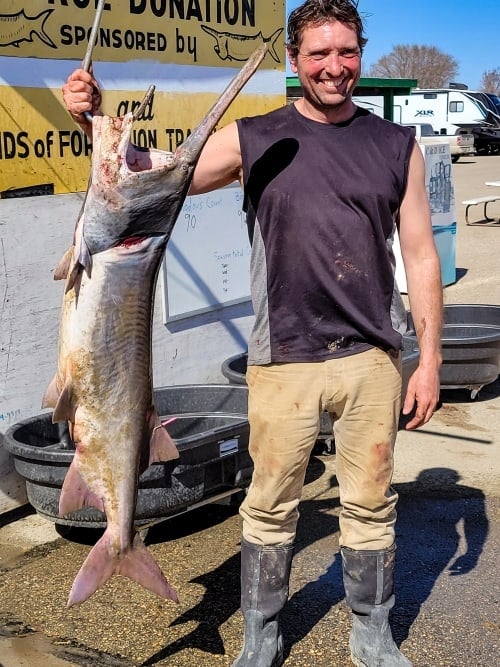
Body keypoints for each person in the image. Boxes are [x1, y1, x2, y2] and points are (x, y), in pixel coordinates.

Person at [62, 1, 443, 665]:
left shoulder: (395, 146)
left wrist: (430, 356)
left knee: (372, 504)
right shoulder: (254, 137)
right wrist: (91, 122)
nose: (334, 66)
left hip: (372, 358)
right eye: (318, 54)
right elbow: (154, 172)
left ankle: (373, 634)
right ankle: (262, 636)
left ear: (361, 53)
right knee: (268, 507)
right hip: (281, 359)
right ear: (295, 62)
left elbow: (420, 254)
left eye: (346, 52)